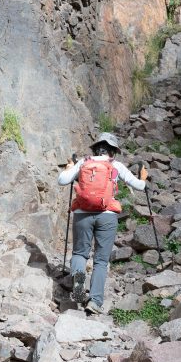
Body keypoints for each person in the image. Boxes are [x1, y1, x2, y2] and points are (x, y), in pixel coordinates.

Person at [57, 132, 148, 315]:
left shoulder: (84, 162)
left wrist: (69, 168)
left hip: (82, 214)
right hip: (107, 216)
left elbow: (62, 180)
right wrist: (144, 177)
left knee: (80, 254)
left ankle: (79, 286)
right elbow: (139, 186)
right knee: (100, 260)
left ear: (95, 148)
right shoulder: (116, 165)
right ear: (113, 151)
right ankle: (95, 301)